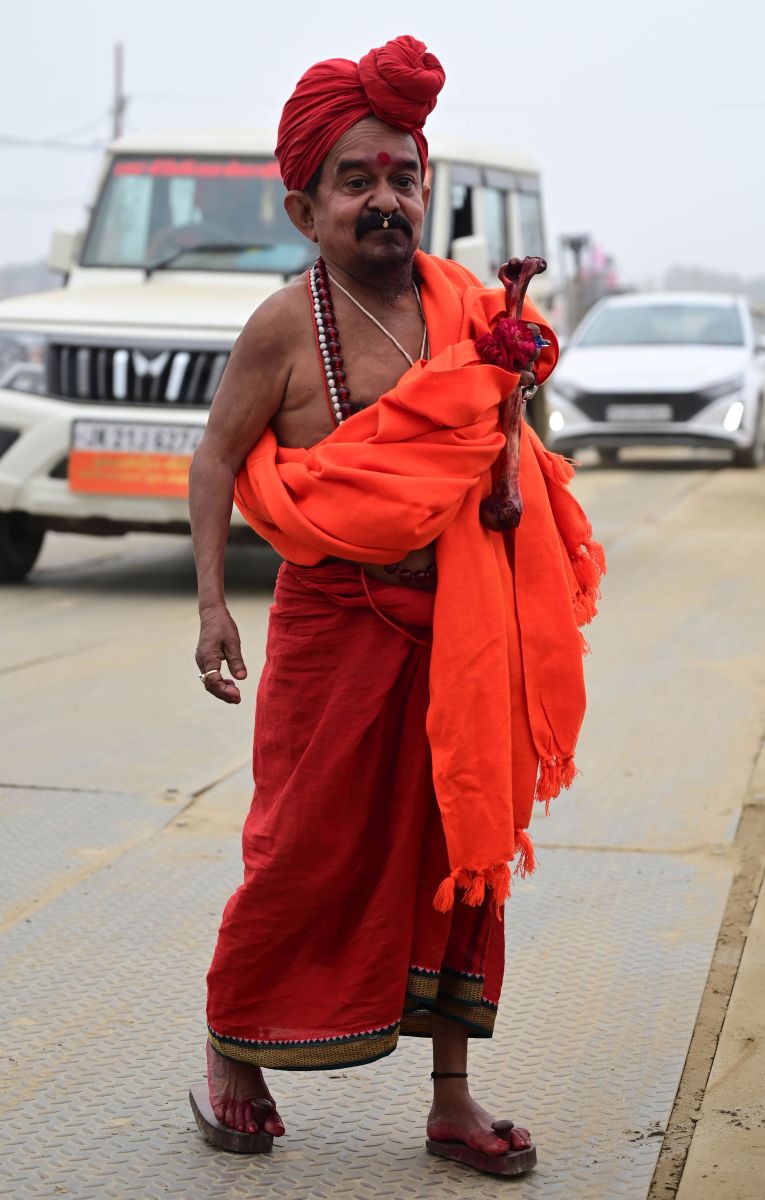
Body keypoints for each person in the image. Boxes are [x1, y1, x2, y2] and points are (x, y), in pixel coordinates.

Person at [188, 34, 604, 1178]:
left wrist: (516, 393)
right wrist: (216, 606)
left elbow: (509, 459)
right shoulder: (284, 324)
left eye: (403, 177)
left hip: (461, 642)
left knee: (459, 852)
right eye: (356, 180)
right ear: (302, 205)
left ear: (430, 189)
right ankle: (236, 1060)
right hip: (333, 638)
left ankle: (453, 1099)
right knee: (300, 850)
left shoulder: (472, 312)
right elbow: (215, 462)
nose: (384, 199)